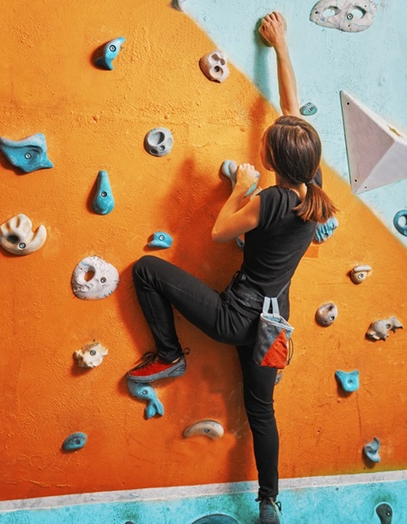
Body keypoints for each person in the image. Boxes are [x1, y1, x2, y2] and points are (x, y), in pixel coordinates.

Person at [126, 11, 337, 524]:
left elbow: (220, 232)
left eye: (265, 143)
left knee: (146, 270)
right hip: (275, 327)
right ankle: (269, 501)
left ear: (272, 161)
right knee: (260, 410)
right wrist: (281, 47)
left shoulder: (265, 201)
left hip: (236, 318)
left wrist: (241, 185)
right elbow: (292, 113)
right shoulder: (315, 193)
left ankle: (170, 354)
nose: (263, 137)